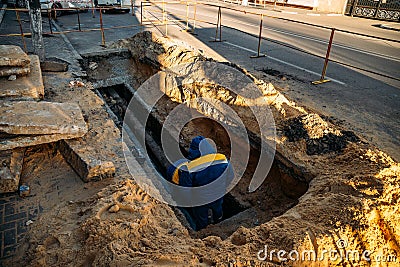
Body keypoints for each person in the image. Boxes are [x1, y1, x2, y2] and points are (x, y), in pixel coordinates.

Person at [167, 136, 234, 231]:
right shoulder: (222, 159)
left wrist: (189, 202)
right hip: (218, 194)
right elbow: (231, 176)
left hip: (200, 200)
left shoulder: (189, 168)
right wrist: (222, 187)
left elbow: (185, 190)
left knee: (201, 217)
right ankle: (218, 221)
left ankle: (203, 231)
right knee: (218, 209)